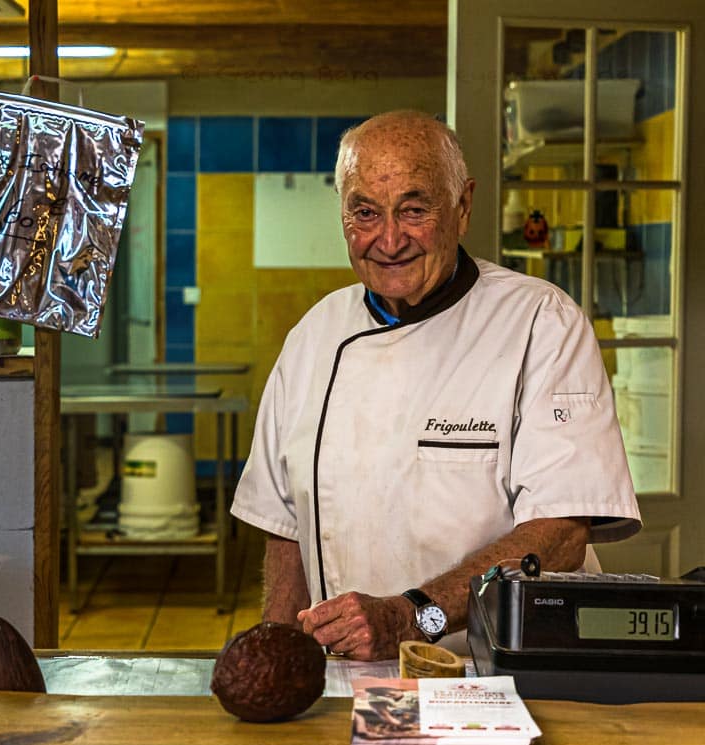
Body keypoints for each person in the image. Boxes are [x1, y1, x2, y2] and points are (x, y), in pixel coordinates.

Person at [230, 110, 641, 660]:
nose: (390, 239)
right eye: (365, 213)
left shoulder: (540, 322)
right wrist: (279, 658)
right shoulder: (314, 337)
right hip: (355, 673)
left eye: (415, 210)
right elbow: (283, 527)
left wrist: (411, 615)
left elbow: (560, 533)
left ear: (463, 207)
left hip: (502, 670)